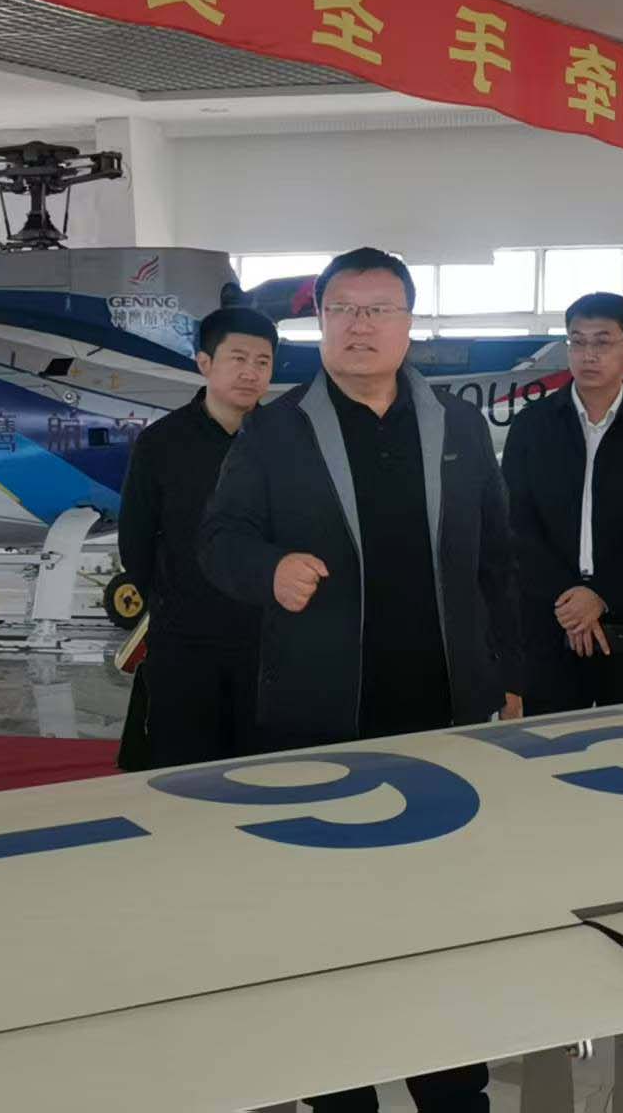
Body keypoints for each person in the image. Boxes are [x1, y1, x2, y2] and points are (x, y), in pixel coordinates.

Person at [199, 246, 519, 1113]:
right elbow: (219, 540)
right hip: (320, 719)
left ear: (410, 323)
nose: (359, 326)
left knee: (445, 923)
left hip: (444, 721)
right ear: (321, 322)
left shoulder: (458, 428)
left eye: (378, 309)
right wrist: (269, 570)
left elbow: (498, 560)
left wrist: (509, 675)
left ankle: (454, 1088)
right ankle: (341, 1092)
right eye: (342, 309)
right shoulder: (275, 430)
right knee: (328, 925)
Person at [501, 291, 623, 715]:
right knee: (548, 741)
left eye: (602, 342)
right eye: (578, 341)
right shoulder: (533, 427)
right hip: (550, 619)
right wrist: (570, 602)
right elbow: (515, 524)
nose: (588, 354)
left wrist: (600, 595)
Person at [117, 305, 277, 768]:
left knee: (266, 771)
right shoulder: (161, 443)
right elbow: (136, 540)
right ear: (204, 362)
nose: (250, 373)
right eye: (238, 358)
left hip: (269, 643)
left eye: (262, 362)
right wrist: (171, 603)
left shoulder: (287, 442)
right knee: (184, 772)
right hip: (186, 642)